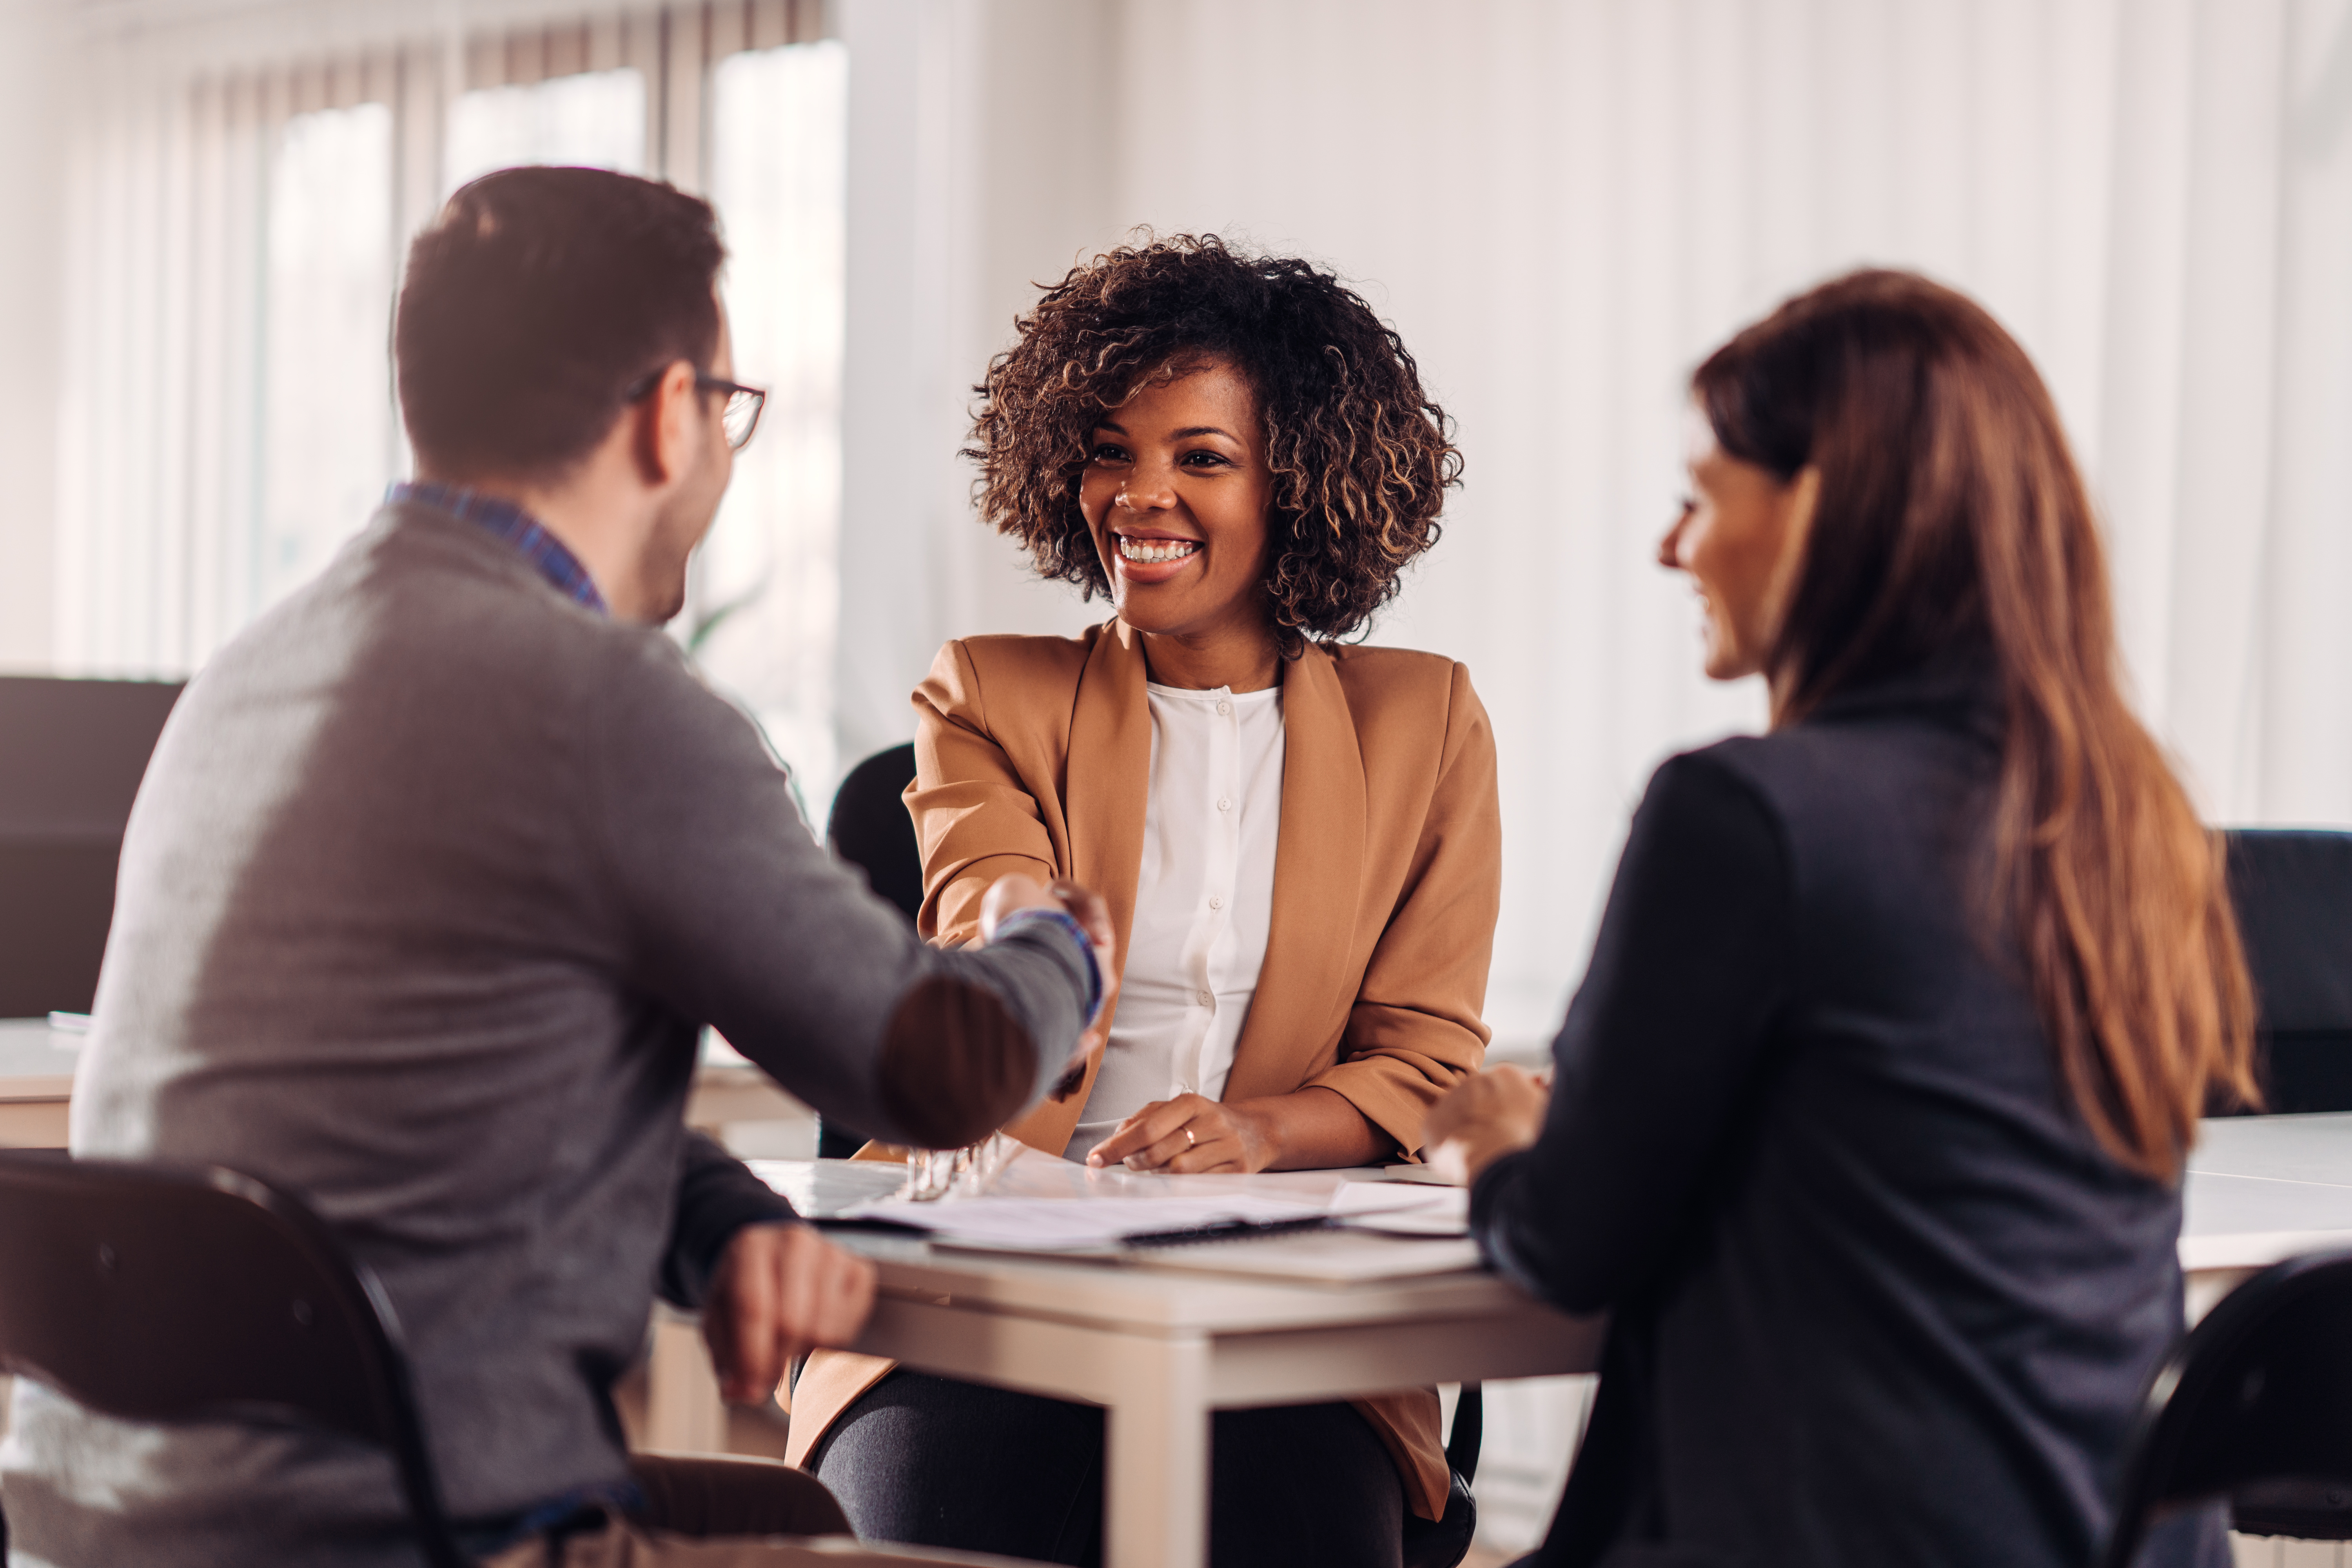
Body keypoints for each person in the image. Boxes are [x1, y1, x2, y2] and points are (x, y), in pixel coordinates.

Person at [0, 166, 1111, 1568]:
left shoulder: (252, 674)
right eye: (729, 411)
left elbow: (443, 1120)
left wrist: (719, 1228)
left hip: (107, 1525)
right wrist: (1061, 938)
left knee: (795, 1518)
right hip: (415, 1535)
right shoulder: (605, 702)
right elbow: (940, 1066)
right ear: (668, 415)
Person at [1426, 270, 2257, 1568]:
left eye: (1701, 497)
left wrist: (1493, 1140)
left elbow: (1569, 1242)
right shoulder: (2131, 817)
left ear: (1816, 507)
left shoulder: (1746, 816)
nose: (1671, 546)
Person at [788, 235, 1502, 1567]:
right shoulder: (989, 694)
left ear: (1303, 480)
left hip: (1287, 1312)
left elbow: (1426, 1060)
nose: (1140, 495)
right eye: (1111, 449)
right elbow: (989, 912)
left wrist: (1259, 1133)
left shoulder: (1427, 723)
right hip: (983, 1279)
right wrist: (1029, 939)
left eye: (1201, 457)